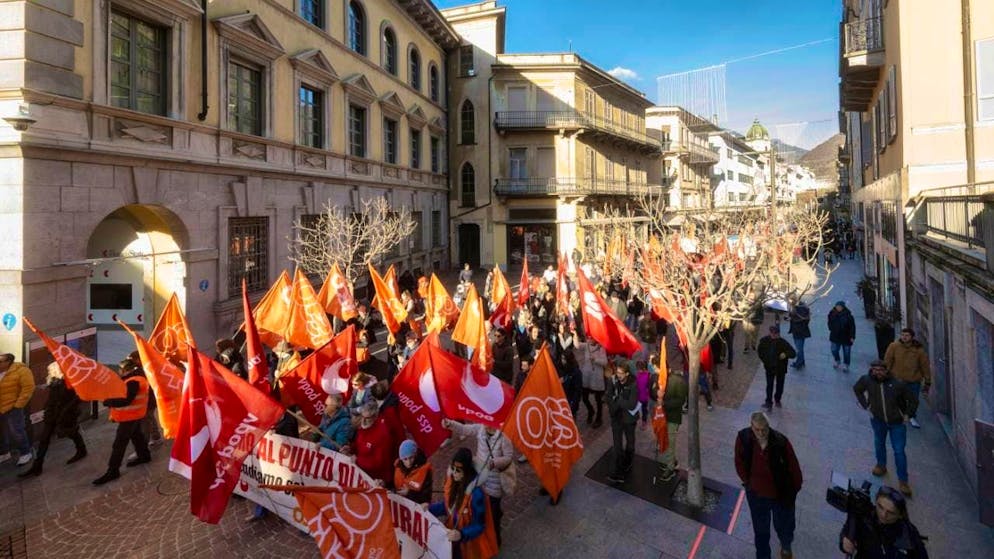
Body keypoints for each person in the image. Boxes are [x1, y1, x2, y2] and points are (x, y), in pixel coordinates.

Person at [734, 412, 803, 559]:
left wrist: (794, 490)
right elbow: (739, 462)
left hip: (780, 494)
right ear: (751, 427)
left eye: (764, 429)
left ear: (768, 426)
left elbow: (794, 468)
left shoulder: (780, 442)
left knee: (784, 525)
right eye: (757, 429)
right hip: (756, 495)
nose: (761, 433)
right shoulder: (743, 438)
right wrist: (748, 482)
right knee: (761, 531)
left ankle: (786, 547)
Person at [442, 419, 515, 546]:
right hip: (480, 476)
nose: (486, 426)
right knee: (481, 508)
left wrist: (494, 462)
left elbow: (508, 457)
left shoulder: (504, 436)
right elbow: (466, 429)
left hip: (494, 481)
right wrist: (451, 424)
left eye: (489, 423)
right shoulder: (480, 428)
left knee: (493, 511)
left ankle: (496, 539)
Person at [853, 360, 917, 497]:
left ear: (886, 371)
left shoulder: (897, 384)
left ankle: (903, 481)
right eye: (875, 370)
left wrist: (908, 415)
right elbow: (857, 389)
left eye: (881, 370)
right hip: (877, 420)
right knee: (879, 442)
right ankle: (881, 465)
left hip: (896, 422)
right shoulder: (867, 380)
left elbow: (913, 400)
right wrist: (866, 405)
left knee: (899, 451)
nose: (878, 372)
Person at [425, 447, 499, 559]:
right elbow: (447, 506)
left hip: (468, 543)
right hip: (453, 536)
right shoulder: (452, 482)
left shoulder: (476, 495)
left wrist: (461, 534)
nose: (454, 473)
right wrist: (428, 509)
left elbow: (479, 525)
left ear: (466, 471)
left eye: (458, 470)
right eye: (453, 468)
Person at [18, 362, 86, 477]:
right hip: (52, 413)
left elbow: (77, 398)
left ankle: (81, 450)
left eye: (50, 370)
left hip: (66, 414)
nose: (48, 372)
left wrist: (65, 411)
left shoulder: (70, 381)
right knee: (44, 439)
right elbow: (52, 398)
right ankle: (37, 465)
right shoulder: (54, 381)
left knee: (72, 432)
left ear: (57, 370)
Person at [93, 359, 151, 485]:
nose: (118, 371)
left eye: (120, 369)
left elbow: (126, 400)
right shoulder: (138, 378)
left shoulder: (133, 382)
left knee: (119, 444)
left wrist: (108, 402)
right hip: (135, 414)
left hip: (129, 416)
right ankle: (144, 456)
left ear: (126, 370)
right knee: (137, 436)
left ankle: (113, 470)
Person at [840, 485, 929, 558]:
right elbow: (847, 531)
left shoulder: (909, 534)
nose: (883, 515)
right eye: (880, 507)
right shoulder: (864, 516)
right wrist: (844, 541)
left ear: (900, 515)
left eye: (891, 512)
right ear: (875, 501)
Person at [884, 328, 931, 429]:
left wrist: (927, 380)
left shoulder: (918, 350)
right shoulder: (894, 346)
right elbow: (888, 361)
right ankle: (899, 415)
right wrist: (885, 374)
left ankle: (911, 416)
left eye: (907, 335)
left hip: (913, 379)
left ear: (912, 337)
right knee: (898, 399)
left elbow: (924, 365)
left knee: (913, 400)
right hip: (897, 378)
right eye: (903, 335)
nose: (904, 337)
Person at [606, 362, 639, 484]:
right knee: (617, 446)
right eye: (617, 372)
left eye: (621, 373)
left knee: (630, 443)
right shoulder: (612, 381)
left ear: (627, 374)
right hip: (616, 418)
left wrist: (619, 400)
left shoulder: (633, 384)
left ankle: (629, 461)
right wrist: (613, 407)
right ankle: (616, 473)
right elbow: (608, 397)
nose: (618, 375)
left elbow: (632, 404)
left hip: (629, 420)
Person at [0, 353, 35, 466]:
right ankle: (4, 452)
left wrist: (18, 405)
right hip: (1, 407)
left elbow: (28, 388)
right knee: (2, 432)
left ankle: (25, 452)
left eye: (1, 361)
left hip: (13, 407)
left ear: (8, 362)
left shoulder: (21, 370)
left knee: (16, 431)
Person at [351, 401, 395, 486]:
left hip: (376, 479)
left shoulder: (382, 434)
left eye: (367, 418)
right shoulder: (363, 427)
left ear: (375, 417)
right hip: (362, 472)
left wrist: (358, 460)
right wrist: (350, 448)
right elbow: (359, 445)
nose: (363, 420)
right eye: (362, 416)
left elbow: (378, 462)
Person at [655, 369, 688, 482]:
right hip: (661, 416)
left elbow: (680, 400)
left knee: (670, 442)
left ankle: (670, 469)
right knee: (665, 441)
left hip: (672, 417)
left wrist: (664, 403)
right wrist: (657, 393)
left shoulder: (678, 381)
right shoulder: (657, 378)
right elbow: (652, 390)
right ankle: (672, 461)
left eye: (656, 367)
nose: (655, 370)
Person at [757, 326, 797, 410]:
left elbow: (793, 353)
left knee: (780, 385)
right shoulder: (764, 341)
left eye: (776, 334)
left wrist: (785, 354)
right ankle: (768, 402)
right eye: (772, 334)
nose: (774, 336)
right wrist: (765, 360)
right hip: (769, 367)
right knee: (769, 385)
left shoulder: (783, 342)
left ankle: (777, 399)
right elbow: (760, 351)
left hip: (780, 368)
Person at [577, 337, 607, 428]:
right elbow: (577, 345)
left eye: (591, 338)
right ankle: (591, 410)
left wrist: (595, 359)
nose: (588, 339)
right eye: (588, 338)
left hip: (597, 378)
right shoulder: (586, 346)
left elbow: (605, 362)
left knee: (598, 400)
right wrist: (574, 333)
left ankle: (599, 418)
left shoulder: (601, 348)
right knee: (585, 398)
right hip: (587, 377)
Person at [394, 439, 433, 505]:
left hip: (415, 506)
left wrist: (409, 493)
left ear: (415, 455)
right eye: (405, 459)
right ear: (401, 459)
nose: (408, 462)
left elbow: (426, 496)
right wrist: (384, 484)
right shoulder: (398, 466)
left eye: (411, 458)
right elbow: (393, 485)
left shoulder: (424, 470)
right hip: (400, 503)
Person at [828, 300, 856, 372]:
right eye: (837, 306)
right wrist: (831, 328)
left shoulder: (848, 316)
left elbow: (852, 327)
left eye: (840, 307)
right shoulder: (832, 313)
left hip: (846, 337)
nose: (838, 308)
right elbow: (829, 322)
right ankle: (837, 360)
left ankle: (846, 365)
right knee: (834, 350)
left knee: (846, 352)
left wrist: (852, 336)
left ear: (843, 307)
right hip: (835, 336)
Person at [787, 301, 810, 370]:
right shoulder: (803, 313)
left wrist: (791, 318)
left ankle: (799, 363)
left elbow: (796, 320)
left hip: (798, 333)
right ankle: (801, 361)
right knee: (800, 349)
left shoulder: (799, 314)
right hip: (799, 333)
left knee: (799, 349)